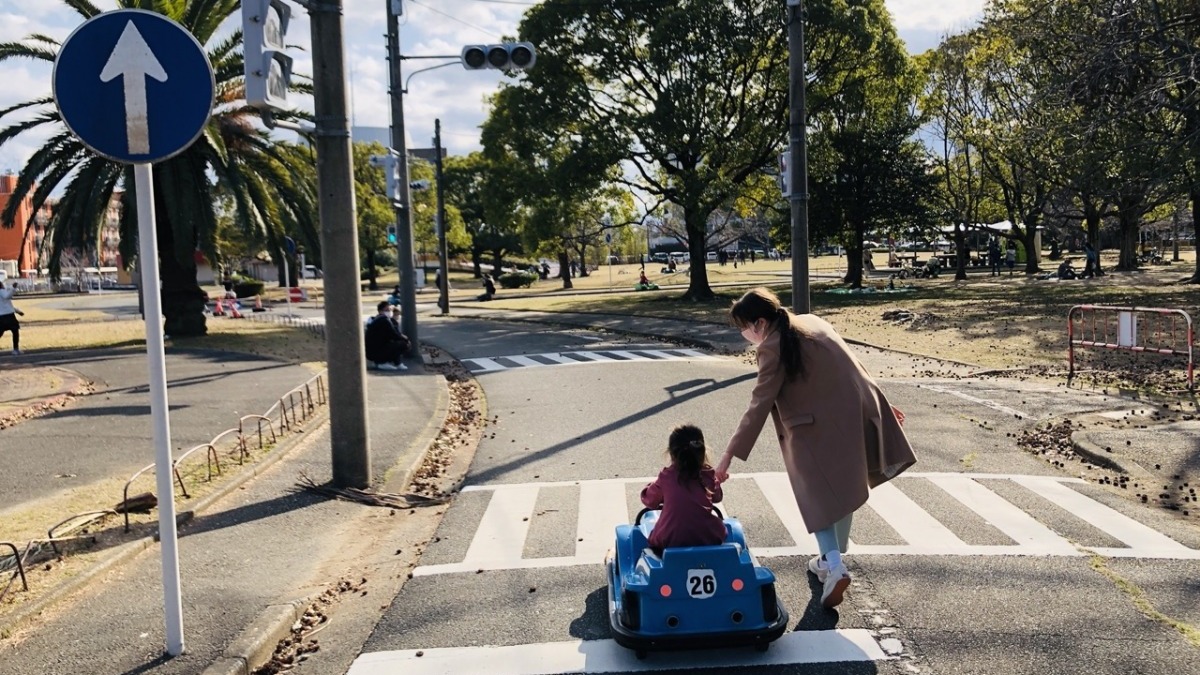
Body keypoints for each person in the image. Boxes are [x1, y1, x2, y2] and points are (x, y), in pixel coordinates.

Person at [714, 288, 916, 609]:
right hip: (850, 419)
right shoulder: (815, 324)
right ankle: (828, 560)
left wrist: (727, 457)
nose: (744, 335)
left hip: (810, 431)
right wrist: (883, 404)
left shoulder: (770, 348)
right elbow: (854, 366)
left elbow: (759, 404)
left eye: (744, 327)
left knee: (818, 498)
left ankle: (835, 567)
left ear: (760, 322)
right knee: (845, 489)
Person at [640, 424, 726, 554]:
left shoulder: (667, 477)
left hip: (671, 541)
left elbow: (650, 501)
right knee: (728, 530)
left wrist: (650, 487)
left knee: (644, 540)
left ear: (671, 453)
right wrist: (717, 481)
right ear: (702, 451)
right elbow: (717, 497)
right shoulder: (708, 474)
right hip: (707, 538)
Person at [364, 301, 409, 371]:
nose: (389, 312)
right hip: (376, 352)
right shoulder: (384, 320)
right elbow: (394, 334)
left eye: (389, 310)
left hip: (372, 352)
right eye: (386, 310)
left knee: (395, 343)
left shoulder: (377, 319)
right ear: (380, 311)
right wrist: (405, 339)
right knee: (403, 344)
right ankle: (382, 362)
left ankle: (397, 363)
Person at [0, 279, 24, 355]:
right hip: (8, 316)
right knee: (15, 331)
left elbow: (7, 305)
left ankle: (16, 349)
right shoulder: (1, 291)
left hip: (1, 316)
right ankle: (15, 349)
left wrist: (17, 311)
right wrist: (13, 288)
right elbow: (7, 296)